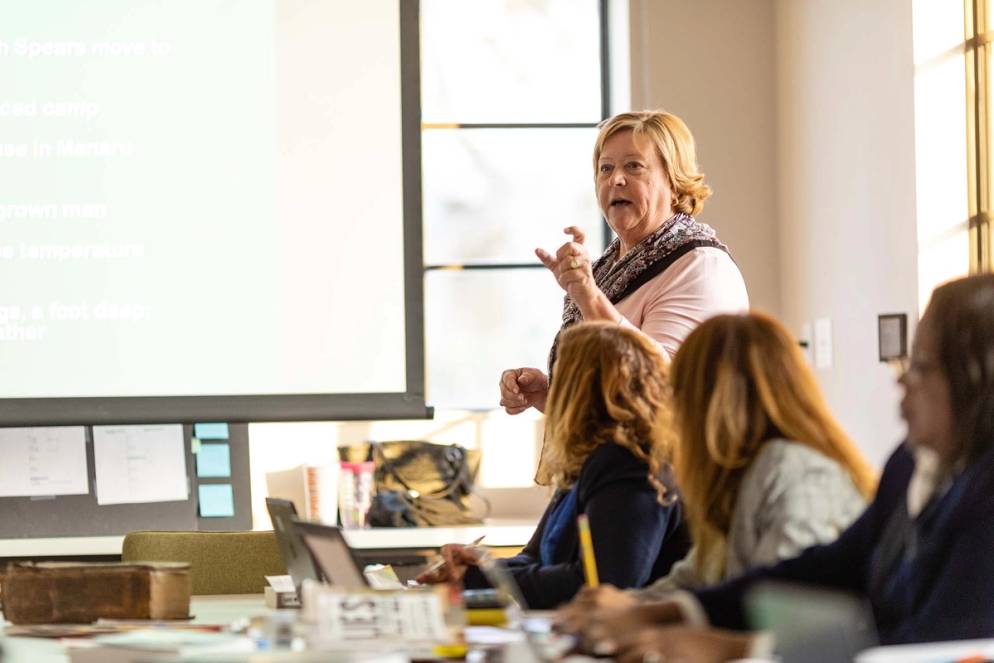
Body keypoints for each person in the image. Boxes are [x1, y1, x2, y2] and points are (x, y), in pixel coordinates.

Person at [566, 273, 994, 661]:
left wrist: (737, 649)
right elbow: (823, 569)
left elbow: (931, 643)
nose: (901, 380)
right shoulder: (908, 464)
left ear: (976, 380)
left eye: (920, 366)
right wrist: (664, 613)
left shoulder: (796, 473)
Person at [557, 312, 875, 621]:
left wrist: (635, 615)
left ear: (709, 400)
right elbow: (692, 580)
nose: (671, 409)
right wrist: (623, 609)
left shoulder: (792, 469)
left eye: (678, 392)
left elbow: (780, 604)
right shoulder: (741, 475)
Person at [416, 322, 691, 609]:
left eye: (560, 381)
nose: (554, 395)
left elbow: (601, 585)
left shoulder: (630, 464)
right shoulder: (591, 458)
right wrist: (481, 568)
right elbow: (534, 558)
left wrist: (477, 578)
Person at [499, 109, 748, 417]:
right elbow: (610, 396)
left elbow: (662, 392)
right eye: (605, 169)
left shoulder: (700, 268)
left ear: (674, 182)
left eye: (634, 166)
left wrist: (588, 297)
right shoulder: (609, 266)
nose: (615, 179)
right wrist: (549, 394)